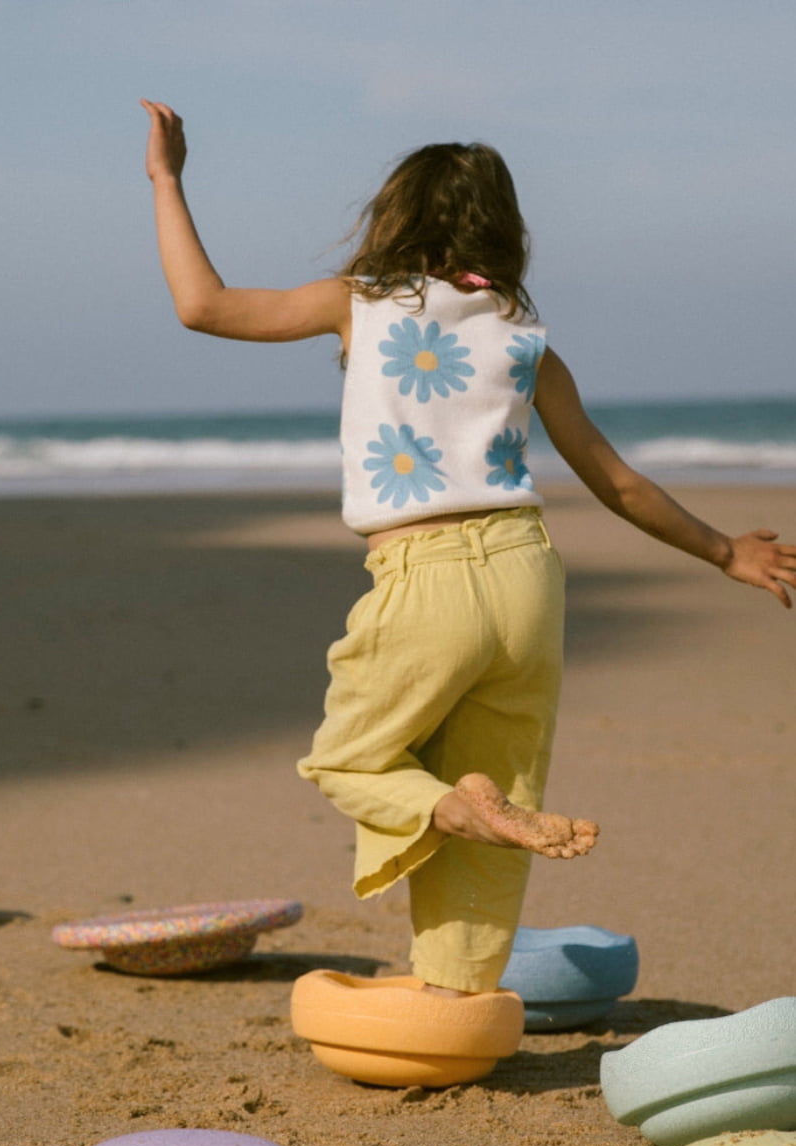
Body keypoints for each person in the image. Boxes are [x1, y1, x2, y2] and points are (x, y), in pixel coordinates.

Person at [140, 99, 796, 999]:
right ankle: (458, 1003)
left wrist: (165, 179)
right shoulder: (528, 343)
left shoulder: (360, 304)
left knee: (355, 759)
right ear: (502, 229)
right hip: (528, 578)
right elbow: (618, 482)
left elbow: (202, 306)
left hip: (427, 578)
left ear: (395, 218)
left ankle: (454, 806)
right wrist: (727, 552)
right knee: (501, 810)